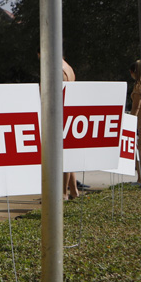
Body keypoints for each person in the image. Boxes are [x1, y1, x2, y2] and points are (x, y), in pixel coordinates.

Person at [63, 58, 79, 199]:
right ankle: (73, 191)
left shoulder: (59, 69)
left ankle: (63, 193)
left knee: (63, 156)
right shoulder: (69, 68)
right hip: (68, 112)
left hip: (61, 114)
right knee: (67, 155)